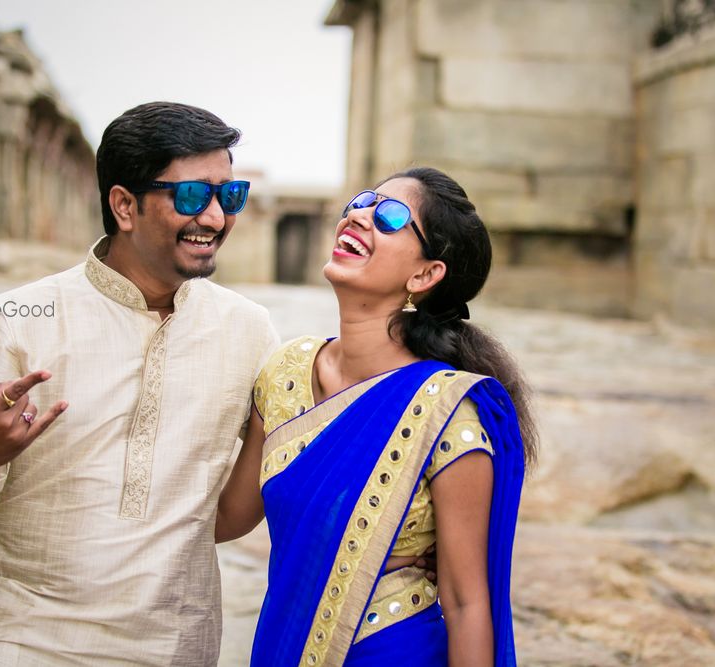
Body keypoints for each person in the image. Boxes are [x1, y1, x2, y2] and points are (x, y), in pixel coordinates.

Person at [0, 102, 279, 665]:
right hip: (17, 636)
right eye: (191, 197)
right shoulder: (15, 318)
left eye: (229, 196)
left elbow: (234, 515)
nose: (213, 217)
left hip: (174, 644)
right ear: (124, 205)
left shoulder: (249, 331)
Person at [216, 166, 538, 666]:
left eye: (389, 216)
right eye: (361, 201)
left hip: (393, 649)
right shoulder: (286, 373)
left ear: (425, 274)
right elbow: (224, 518)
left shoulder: (447, 411)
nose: (359, 215)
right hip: (285, 645)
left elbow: (465, 600)